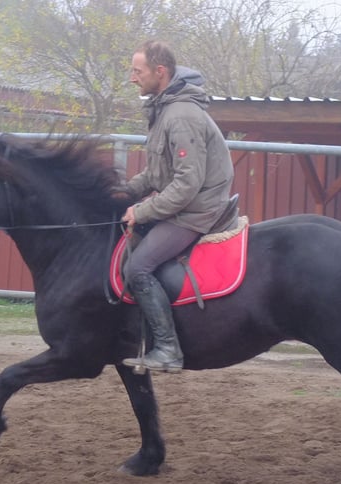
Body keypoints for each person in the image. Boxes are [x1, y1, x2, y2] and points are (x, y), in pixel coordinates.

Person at [120, 40, 234, 373]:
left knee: (137, 268)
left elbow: (186, 185)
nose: (132, 78)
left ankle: (168, 349)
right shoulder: (165, 109)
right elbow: (157, 173)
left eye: (137, 71)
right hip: (184, 204)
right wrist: (122, 193)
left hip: (196, 211)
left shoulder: (181, 116)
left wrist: (140, 212)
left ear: (160, 72)